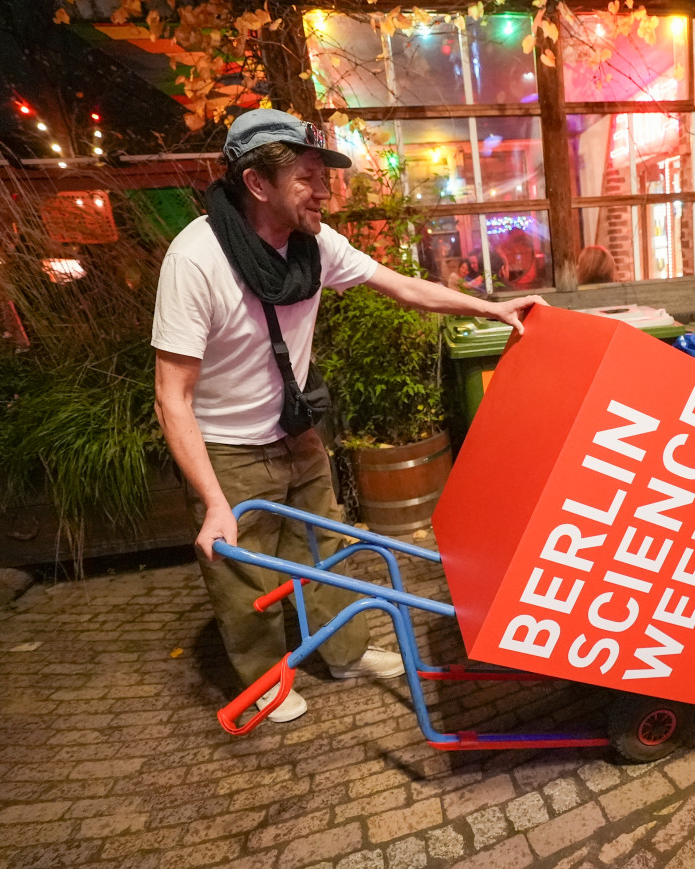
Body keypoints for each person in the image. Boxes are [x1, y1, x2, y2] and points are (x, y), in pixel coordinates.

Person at [152, 109, 543, 723]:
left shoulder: (316, 246)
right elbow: (171, 395)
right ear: (257, 183)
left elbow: (403, 286)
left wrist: (491, 308)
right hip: (226, 446)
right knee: (242, 575)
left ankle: (345, 653)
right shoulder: (196, 259)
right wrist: (212, 501)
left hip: (297, 428)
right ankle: (266, 684)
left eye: (324, 176)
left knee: (325, 546)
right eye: (308, 178)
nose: (325, 192)